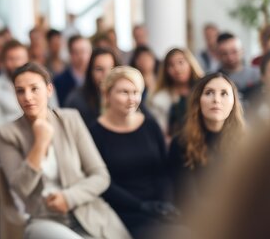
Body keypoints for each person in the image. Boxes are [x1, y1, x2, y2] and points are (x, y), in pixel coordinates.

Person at [0, 62, 131, 239]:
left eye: (34, 89)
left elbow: (100, 175)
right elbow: (21, 189)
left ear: (49, 90)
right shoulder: (8, 133)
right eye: (20, 91)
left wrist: (69, 198)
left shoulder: (70, 119)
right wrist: (40, 143)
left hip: (89, 213)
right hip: (44, 221)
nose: (27, 97)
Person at [89, 66, 178, 239]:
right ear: (107, 95)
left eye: (136, 92)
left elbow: (164, 171)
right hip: (122, 210)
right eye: (124, 92)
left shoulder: (150, 125)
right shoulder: (95, 132)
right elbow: (104, 184)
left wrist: (164, 203)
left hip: (158, 205)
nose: (131, 99)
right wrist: (141, 206)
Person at [167, 72, 245, 210]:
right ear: (198, 101)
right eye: (209, 93)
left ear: (234, 102)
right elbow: (188, 202)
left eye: (224, 94)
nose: (216, 100)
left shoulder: (246, 140)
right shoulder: (181, 143)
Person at [147, 48, 204, 139]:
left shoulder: (204, 90)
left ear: (190, 63)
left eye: (181, 62)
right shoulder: (160, 99)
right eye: (171, 65)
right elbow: (159, 132)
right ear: (166, 70)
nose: (177, 69)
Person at [64, 47, 120, 127]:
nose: (106, 75)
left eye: (111, 69)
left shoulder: (127, 95)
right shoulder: (76, 101)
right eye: (99, 69)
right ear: (90, 72)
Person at [53, 35, 92, 106]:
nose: (82, 56)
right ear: (70, 54)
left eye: (85, 51)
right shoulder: (59, 81)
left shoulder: (95, 77)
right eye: (77, 52)